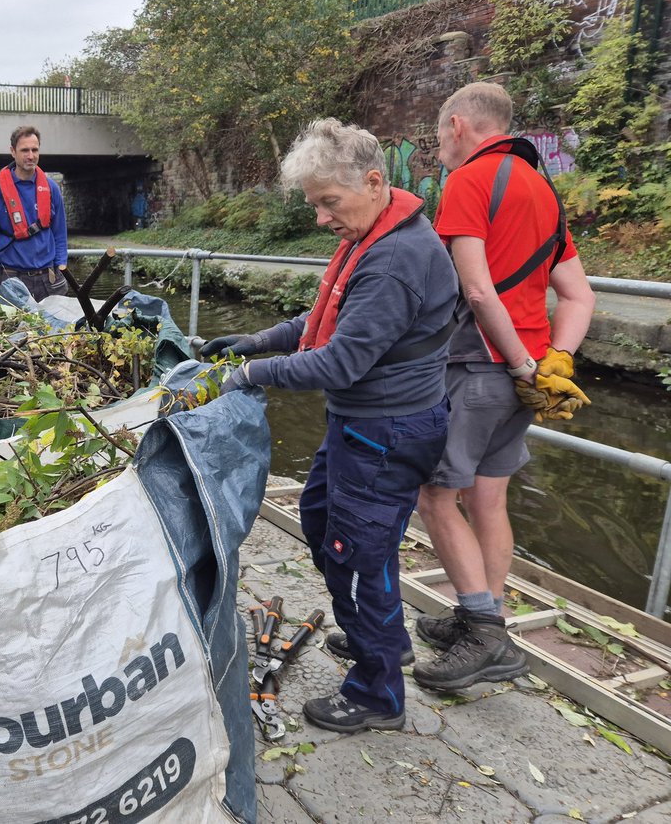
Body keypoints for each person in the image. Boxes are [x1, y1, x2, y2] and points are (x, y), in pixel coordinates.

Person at [205, 118, 458, 734]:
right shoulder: (371, 233)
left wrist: (249, 375)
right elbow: (324, 316)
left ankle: (379, 696)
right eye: (315, 204)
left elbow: (340, 361)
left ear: (373, 183)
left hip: (385, 434)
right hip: (364, 429)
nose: (321, 218)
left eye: (328, 203)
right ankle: (385, 639)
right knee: (322, 524)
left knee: (356, 557)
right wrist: (254, 342)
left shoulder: (396, 257)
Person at [411, 82, 595, 692]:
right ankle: (481, 618)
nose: (439, 150)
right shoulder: (542, 189)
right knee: (488, 499)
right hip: (524, 376)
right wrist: (553, 363)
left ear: (458, 125)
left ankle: (485, 634)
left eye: (439, 138)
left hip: (480, 368)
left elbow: (476, 290)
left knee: (437, 498)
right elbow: (578, 294)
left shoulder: (468, 180)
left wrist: (517, 363)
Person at [0, 125, 68, 301]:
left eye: (35, 150)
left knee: (56, 329)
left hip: (49, 280)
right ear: (13, 152)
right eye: (24, 150)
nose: (30, 156)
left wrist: (61, 266)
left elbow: (60, 234)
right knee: (12, 329)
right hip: (12, 281)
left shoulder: (51, 189)